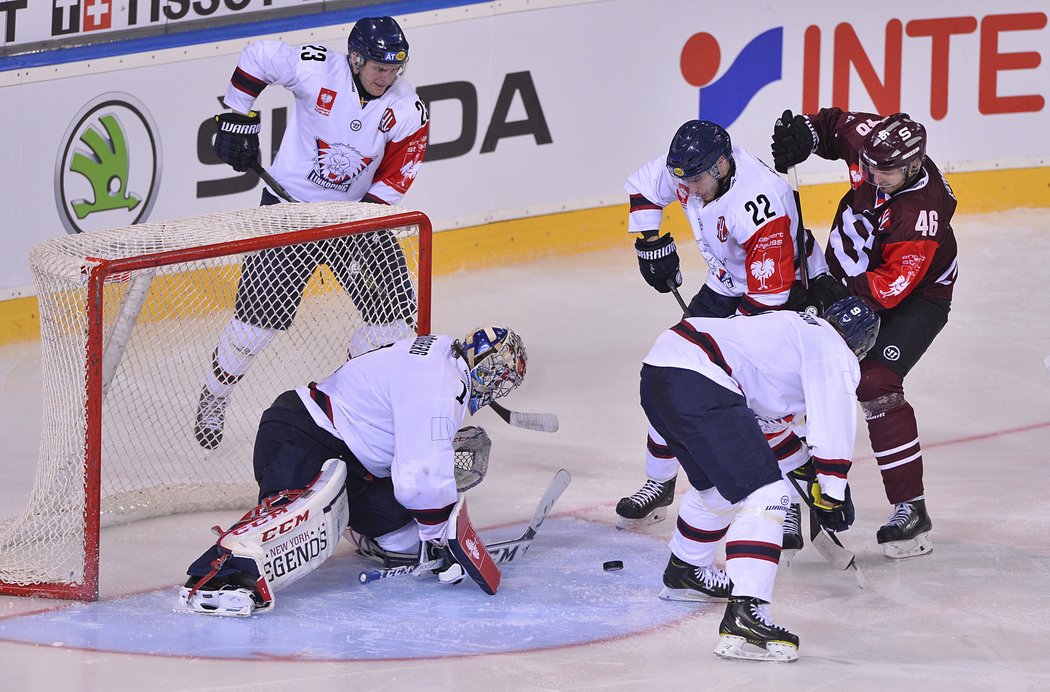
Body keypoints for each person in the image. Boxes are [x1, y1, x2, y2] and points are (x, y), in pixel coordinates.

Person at [195, 16, 430, 449]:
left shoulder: (406, 107)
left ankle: (349, 400)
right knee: (252, 330)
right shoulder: (319, 67)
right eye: (379, 67)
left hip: (355, 222)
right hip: (288, 213)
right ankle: (215, 393)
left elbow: (398, 173)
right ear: (356, 59)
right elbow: (260, 55)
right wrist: (234, 114)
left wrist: (364, 219)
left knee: (397, 328)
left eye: (395, 68)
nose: (388, 76)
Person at [177, 326, 528, 616]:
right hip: (305, 434)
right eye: (500, 379)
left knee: (404, 540)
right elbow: (419, 474)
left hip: (356, 464)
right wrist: (440, 535)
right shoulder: (440, 385)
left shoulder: (443, 355)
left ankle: (352, 526)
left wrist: (432, 538)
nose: (497, 389)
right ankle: (219, 576)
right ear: (488, 371)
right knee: (298, 518)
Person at [618, 119, 828, 555]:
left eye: (696, 180)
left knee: (762, 399)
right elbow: (642, 186)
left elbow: (767, 303)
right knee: (672, 375)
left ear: (721, 165)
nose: (689, 189)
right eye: (683, 179)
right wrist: (649, 242)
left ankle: (785, 497)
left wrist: (728, 356)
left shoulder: (759, 205)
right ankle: (658, 484)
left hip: (777, 292)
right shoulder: (691, 169)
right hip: (726, 285)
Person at [640, 297, 879, 662]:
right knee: (768, 494)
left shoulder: (792, 330)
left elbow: (765, 426)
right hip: (701, 380)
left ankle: (686, 568)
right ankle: (747, 613)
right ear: (861, 345)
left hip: (660, 373)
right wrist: (831, 489)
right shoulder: (835, 352)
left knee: (720, 488)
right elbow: (834, 418)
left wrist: (809, 473)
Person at [771, 109, 958, 558]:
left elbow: (888, 290)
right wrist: (807, 135)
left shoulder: (921, 215)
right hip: (846, 276)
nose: (873, 176)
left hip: (913, 300)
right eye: (869, 167)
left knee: (874, 381)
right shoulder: (876, 147)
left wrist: (830, 294)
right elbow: (836, 126)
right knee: (793, 370)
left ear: (914, 166)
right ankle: (795, 494)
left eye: (885, 171)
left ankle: (911, 508)